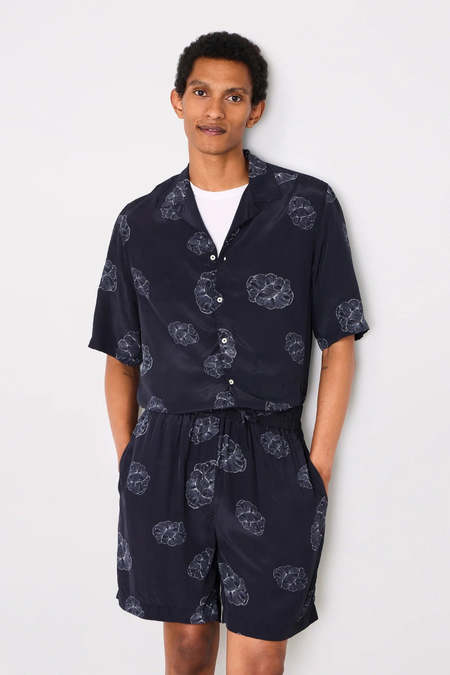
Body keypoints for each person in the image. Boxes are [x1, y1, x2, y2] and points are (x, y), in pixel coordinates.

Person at [88, 30, 370, 675]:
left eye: (234, 96)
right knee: (187, 651)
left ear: (255, 109)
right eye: (201, 92)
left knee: (261, 654)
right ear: (177, 101)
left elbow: (339, 340)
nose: (215, 110)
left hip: (271, 455)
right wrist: (131, 458)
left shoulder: (306, 207)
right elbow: (120, 355)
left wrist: (319, 463)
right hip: (165, 456)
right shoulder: (141, 222)